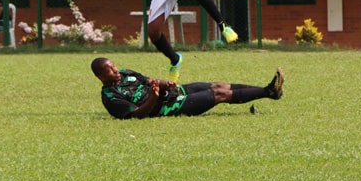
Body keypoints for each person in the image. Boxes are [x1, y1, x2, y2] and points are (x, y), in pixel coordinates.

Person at [91, 57, 284, 120]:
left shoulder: (125, 73)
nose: (115, 70)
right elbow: (137, 115)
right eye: (110, 70)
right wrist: (154, 98)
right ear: (101, 76)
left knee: (217, 85)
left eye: (114, 66)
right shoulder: (110, 97)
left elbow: (149, 80)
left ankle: (268, 90)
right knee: (218, 94)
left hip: (173, 93)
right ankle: (268, 91)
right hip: (168, 107)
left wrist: (165, 84)